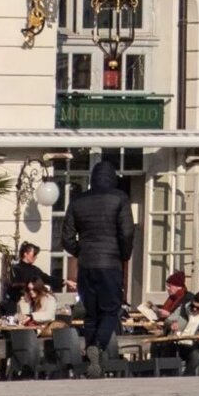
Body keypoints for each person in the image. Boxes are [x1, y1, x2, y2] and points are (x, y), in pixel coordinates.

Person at [66, 158, 135, 372]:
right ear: (112, 178)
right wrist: (123, 255)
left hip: (86, 265)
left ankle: (92, 362)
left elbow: (66, 238)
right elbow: (127, 232)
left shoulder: (77, 201)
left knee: (91, 314)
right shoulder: (120, 198)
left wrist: (82, 251)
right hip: (110, 264)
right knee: (111, 310)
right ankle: (96, 346)